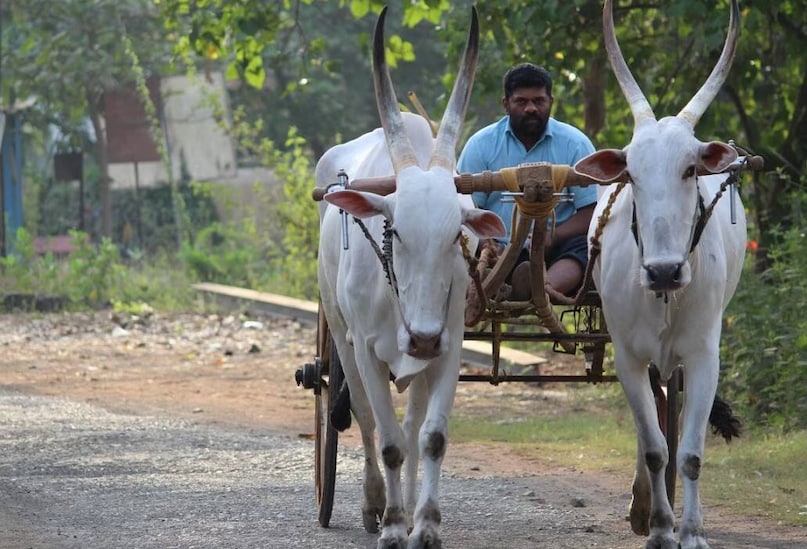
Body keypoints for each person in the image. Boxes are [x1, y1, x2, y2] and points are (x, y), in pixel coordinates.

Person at [457, 62, 596, 300]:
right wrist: (485, 245)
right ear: (506, 104)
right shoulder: (481, 144)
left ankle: (542, 287)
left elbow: (591, 210)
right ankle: (504, 279)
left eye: (538, 101)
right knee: (460, 247)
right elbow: (466, 208)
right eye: (521, 102)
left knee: (587, 246)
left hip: (555, 250)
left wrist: (554, 236)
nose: (531, 108)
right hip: (497, 250)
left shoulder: (576, 144)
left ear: (550, 102)